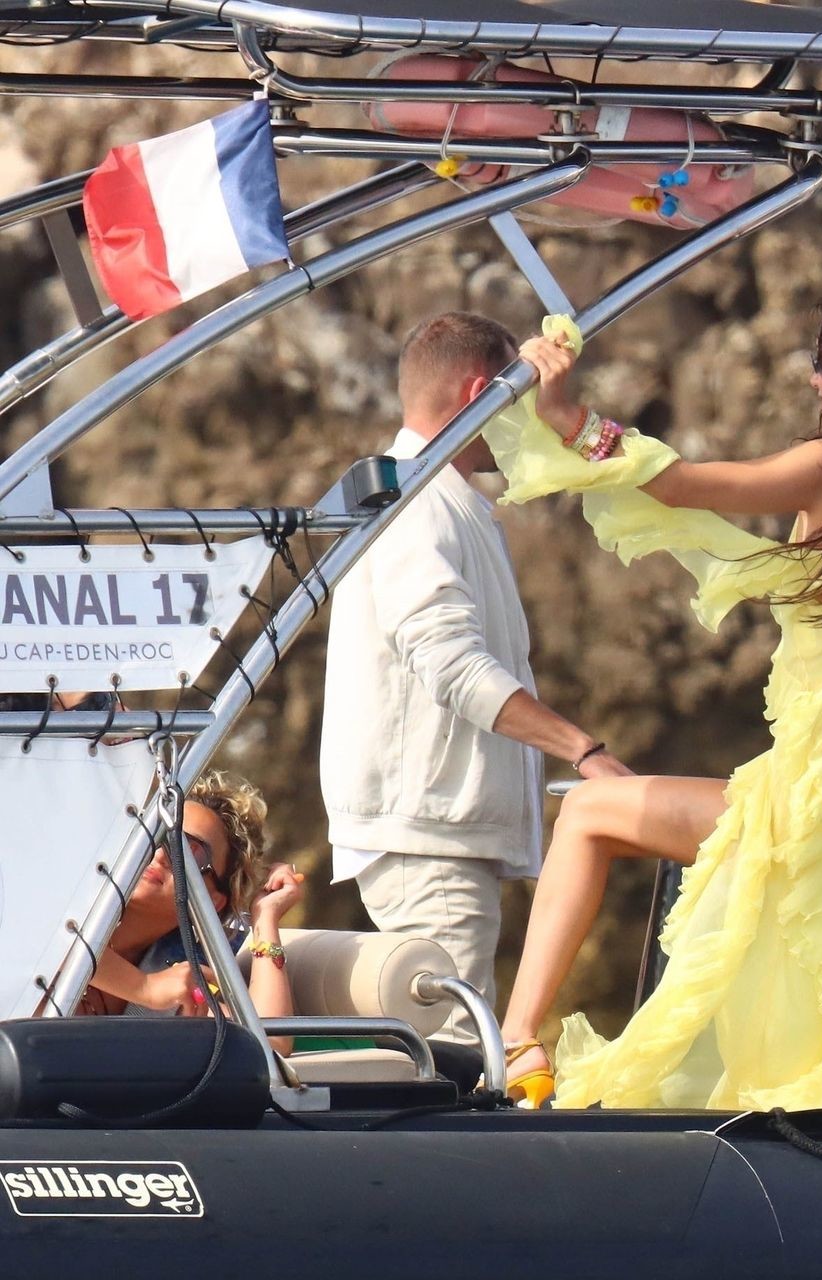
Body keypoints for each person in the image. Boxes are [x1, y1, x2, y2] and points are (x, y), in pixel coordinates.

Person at [491, 286, 822, 1110]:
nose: (815, 379)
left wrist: (567, 415)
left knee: (588, 814)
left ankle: (517, 1043)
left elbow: (682, 485)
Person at [320, 312, 633, 1046]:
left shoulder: (433, 496)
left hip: (436, 835)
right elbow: (453, 667)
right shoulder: (416, 502)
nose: (520, 419)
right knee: (456, 1060)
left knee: (448, 1058)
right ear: (475, 395)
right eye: (513, 398)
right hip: (427, 840)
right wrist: (584, 751)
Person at [78, 770, 305, 1049]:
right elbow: (43, 936)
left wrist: (265, 917)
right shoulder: (57, 912)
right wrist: (144, 988)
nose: (161, 854)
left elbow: (270, 1045)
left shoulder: (175, 977)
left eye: (189, 851)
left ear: (212, 901)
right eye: (154, 835)